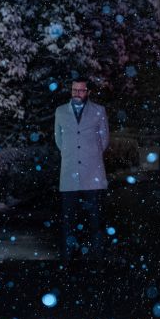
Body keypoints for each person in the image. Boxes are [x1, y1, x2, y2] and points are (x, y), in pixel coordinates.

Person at [54, 76, 109, 265]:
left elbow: (104, 140)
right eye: (74, 90)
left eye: (81, 90)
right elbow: (59, 141)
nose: (77, 94)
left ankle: (98, 257)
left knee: (96, 220)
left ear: (88, 92)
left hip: (93, 174)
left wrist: (89, 155)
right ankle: (70, 257)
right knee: (69, 221)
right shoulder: (60, 112)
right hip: (69, 175)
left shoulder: (99, 111)